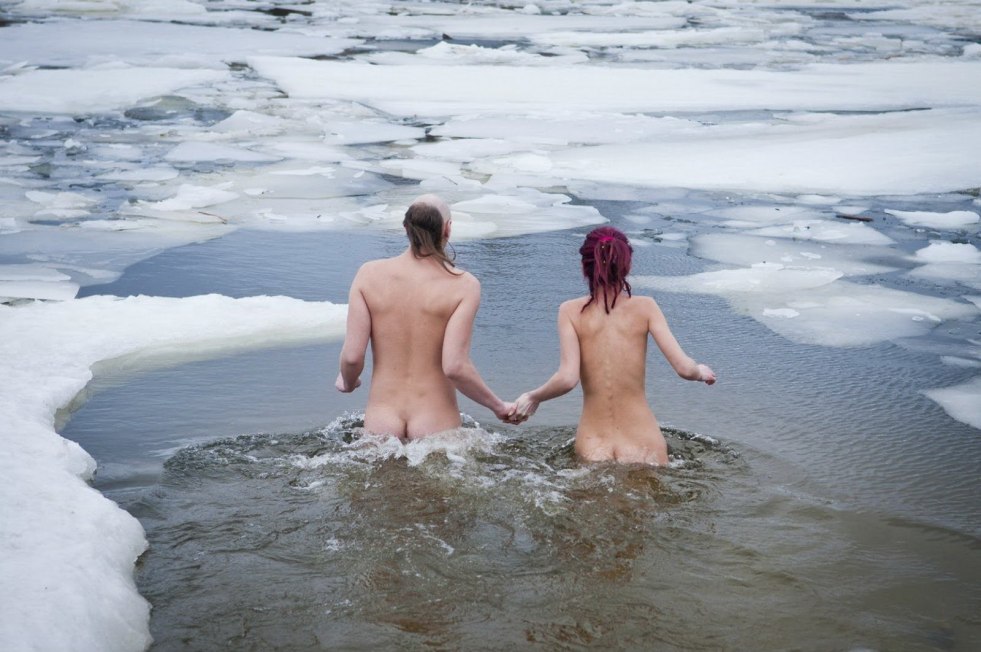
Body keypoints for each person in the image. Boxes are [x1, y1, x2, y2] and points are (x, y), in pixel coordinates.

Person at [510, 226, 716, 465]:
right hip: (644, 442)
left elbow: (567, 379)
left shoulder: (569, 311)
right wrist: (699, 371)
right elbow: (684, 369)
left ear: (584, 267)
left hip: (593, 443)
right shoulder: (646, 307)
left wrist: (533, 397)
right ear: (627, 266)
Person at [335, 193, 514, 440]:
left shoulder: (369, 275)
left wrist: (348, 381)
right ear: (447, 230)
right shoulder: (463, 285)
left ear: (405, 228)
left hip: (381, 420)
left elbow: (353, 356)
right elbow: (455, 367)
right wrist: (499, 406)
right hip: (435, 421)